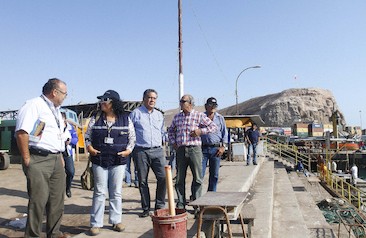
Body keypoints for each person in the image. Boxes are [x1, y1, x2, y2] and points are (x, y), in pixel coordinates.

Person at [15, 78, 70, 238]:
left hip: (55, 158)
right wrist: (26, 158)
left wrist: (59, 155)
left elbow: (56, 135)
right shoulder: (33, 105)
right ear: (55, 92)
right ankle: (33, 235)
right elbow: (22, 132)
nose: (65, 97)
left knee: (57, 199)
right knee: (38, 200)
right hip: (37, 158)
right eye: (65, 94)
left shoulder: (56, 110)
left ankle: (54, 233)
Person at [85, 90, 136, 236]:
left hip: (118, 161)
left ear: (113, 102)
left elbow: (132, 138)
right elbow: (87, 135)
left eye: (104, 100)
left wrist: (128, 151)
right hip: (99, 160)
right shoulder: (96, 118)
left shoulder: (125, 119)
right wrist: (89, 147)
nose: (101, 103)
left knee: (116, 192)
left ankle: (116, 221)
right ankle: (96, 224)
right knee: (99, 191)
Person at [168, 94, 217, 212]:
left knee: (197, 178)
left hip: (194, 149)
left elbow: (213, 127)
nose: (180, 103)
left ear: (190, 103)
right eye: (180, 101)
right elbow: (170, 131)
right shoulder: (177, 117)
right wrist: (173, 142)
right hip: (180, 149)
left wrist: (200, 131)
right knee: (180, 178)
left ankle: (197, 204)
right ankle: (180, 204)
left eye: (183, 101)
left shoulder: (198, 115)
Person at [129, 89, 167, 218]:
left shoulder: (159, 115)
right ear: (144, 98)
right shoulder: (135, 113)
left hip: (157, 150)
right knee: (142, 181)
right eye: (150, 98)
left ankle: (159, 206)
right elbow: (130, 132)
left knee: (163, 178)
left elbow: (162, 132)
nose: (152, 100)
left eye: (154, 98)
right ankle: (145, 208)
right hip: (141, 151)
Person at [200, 97, 228, 192]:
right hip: (202, 149)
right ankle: (196, 195)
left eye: (214, 105)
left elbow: (225, 133)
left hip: (216, 149)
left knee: (214, 175)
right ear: (206, 106)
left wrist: (223, 147)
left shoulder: (220, 118)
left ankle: (211, 195)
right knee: (200, 174)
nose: (212, 107)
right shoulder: (200, 117)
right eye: (210, 105)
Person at [61, 112, 78, 198]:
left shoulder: (70, 128)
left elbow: (75, 139)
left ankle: (68, 188)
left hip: (67, 152)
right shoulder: (55, 128)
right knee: (58, 174)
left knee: (71, 172)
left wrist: (70, 141)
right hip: (58, 152)